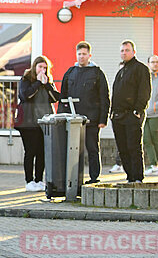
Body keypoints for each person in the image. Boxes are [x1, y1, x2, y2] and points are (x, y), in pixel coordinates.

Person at [58, 41, 110, 184]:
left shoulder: (97, 73)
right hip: (73, 120)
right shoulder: (70, 73)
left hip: (91, 119)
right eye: (79, 54)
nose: (81, 57)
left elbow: (104, 97)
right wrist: (61, 116)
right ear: (76, 55)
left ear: (89, 55)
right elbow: (63, 96)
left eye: (84, 54)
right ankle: (74, 180)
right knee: (74, 151)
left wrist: (102, 119)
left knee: (92, 149)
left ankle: (94, 178)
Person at [16, 56, 61, 191]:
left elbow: (55, 98)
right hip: (28, 122)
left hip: (44, 122)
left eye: (45, 68)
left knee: (42, 152)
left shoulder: (47, 82)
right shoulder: (26, 80)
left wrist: (47, 85)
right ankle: (29, 181)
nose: (43, 70)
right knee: (30, 152)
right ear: (34, 67)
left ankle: (38, 180)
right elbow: (24, 95)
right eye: (40, 67)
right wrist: (37, 83)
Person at [111, 40, 152, 183]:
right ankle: (129, 177)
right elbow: (115, 93)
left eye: (127, 50)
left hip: (132, 115)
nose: (124, 53)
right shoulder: (121, 71)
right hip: (118, 116)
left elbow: (145, 91)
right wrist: (111, 113)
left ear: (134, 52)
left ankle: (137, 178)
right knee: (122, 148)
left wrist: (138, 110)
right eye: (122, 50)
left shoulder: (141, 69)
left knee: (133, 147)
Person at [145, 55, 158, 176]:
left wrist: (155, 106)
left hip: (156, 114)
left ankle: (157, 164)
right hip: (144, 114)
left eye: (156, 62)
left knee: (156, 140)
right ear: (148, 64)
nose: (154, 64)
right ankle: (153, 164)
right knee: (146, 139)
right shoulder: (145, 77)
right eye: (152, 62)